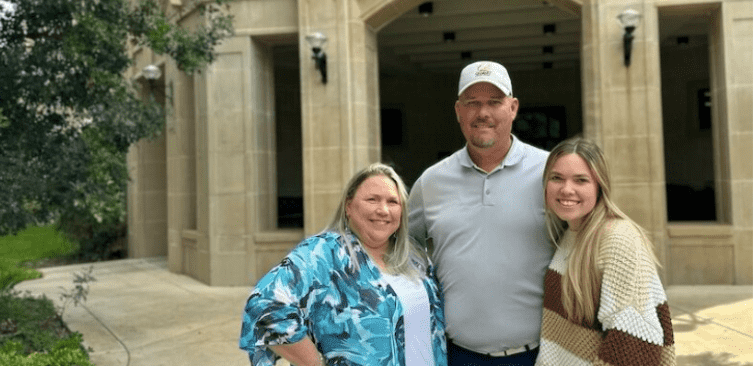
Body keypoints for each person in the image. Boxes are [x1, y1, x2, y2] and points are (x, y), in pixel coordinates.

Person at [408, 61, 554, 366]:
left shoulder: (551, 173)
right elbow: (400, 251)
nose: (483, 113)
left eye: (494, 102)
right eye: (472, 103)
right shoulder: (431, 182)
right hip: (455, 355)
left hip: (540, 356)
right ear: (458, 111)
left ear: (513, 108)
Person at [240, 163, 447, 366]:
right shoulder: (324, 253)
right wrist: (313, 362)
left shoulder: (414, 257)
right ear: (349, 206)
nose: (383, 210)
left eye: (393, 202)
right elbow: (264, 304)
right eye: (372, 199)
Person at [535, 137, 675, 365]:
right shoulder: (570, 232)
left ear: (600, 186)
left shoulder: (617, 238)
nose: (566, 189)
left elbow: (634, 344)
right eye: (556, 178)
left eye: (581, 180)